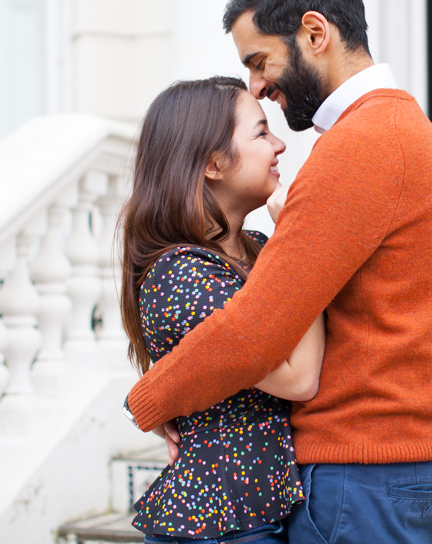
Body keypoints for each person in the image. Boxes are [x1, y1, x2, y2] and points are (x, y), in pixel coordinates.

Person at [126, 0, 432, 544]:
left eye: (260, 62)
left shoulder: (358, 147)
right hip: (399, 467)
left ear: (315, 33)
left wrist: (150, 398)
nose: (257, 86)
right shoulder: (405, 129)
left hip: (362, 472)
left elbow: (255, 334)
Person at [119, 76, 326, 544]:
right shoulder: (181, 274)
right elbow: (297, 379)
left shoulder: (256, 247)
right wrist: (302, 239)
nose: (279, 145)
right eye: (261, 132)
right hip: (218, 521)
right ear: (213, 163)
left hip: (260, 511)